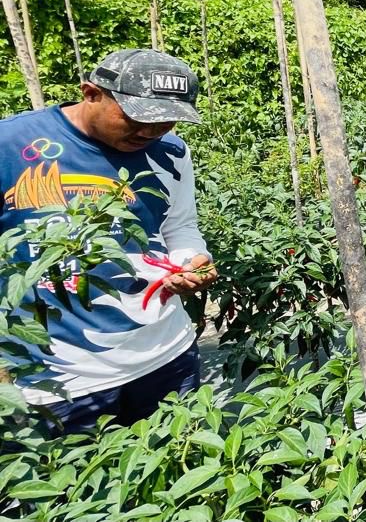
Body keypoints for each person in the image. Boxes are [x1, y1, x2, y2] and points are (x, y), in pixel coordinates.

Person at [0, 49, 217, 433]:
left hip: (166, 355)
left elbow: (179, 226)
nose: (150, 132)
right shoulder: (9, 144)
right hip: (56, 378)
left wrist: (191, 260)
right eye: (138, 118)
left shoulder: (171, 152)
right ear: (91, 93)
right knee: (66, 473)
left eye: (165, 121)